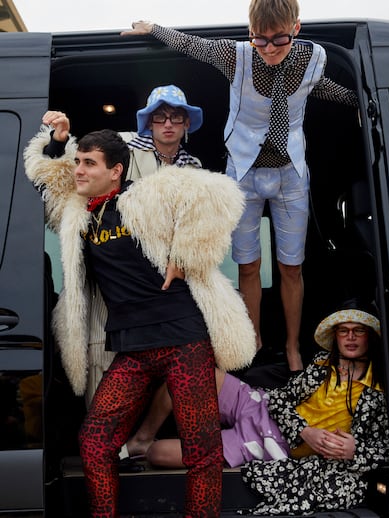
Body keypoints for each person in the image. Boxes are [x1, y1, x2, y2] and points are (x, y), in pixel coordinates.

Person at [24, 113, 256, 517]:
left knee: (201, 450)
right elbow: (49, 180)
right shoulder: (80, 214)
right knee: (95, 442)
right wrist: (60, 141)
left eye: (89, 163)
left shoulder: (145, 196)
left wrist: (186, 252)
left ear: (115, 170)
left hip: (183, 339)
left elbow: (220, 196)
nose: (79, 170)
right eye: (78, 161)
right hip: (132, 347)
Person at [121, 0, 359, 372]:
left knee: (291, 266)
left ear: (295, 28)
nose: (268, 49)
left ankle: (293, 346)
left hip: (290, 174)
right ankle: (255, 340)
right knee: (248, 266)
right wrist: (154, 28)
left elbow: (318, 88)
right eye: (260, 40)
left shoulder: (314, 58)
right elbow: (192, 45)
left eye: (278, 40)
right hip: (243, 174)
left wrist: (359, 99)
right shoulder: (237, 56)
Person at [87, 84, 204, 405]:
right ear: (148, 122)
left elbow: (196, 227)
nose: (167, 124)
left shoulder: (194, 168)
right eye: (159, 117)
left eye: (176, 117)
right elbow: (80, 170)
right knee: (104, 356)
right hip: (116, 278)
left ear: (186, 124)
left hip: (165, 288)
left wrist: (180, 256)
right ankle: (110, 447)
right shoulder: (121, 147)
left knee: (178, 367)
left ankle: (143, 444)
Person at [241, 298, 389, 514]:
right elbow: (280, 399)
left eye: (358, 330)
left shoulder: (379, 388)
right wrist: (304, 431)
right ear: (335, 337)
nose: (350, 337)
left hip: (326, 468)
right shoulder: (321, 366)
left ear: (370, 336)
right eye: (343, 331)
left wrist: (355, 451)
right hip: (270, 428)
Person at [125, 367, 290, 469]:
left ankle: (192, 441)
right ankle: (142, 438)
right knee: (186, 371)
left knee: (158, 453)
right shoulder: (316, 369)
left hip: (262, 441)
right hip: (262, 405)